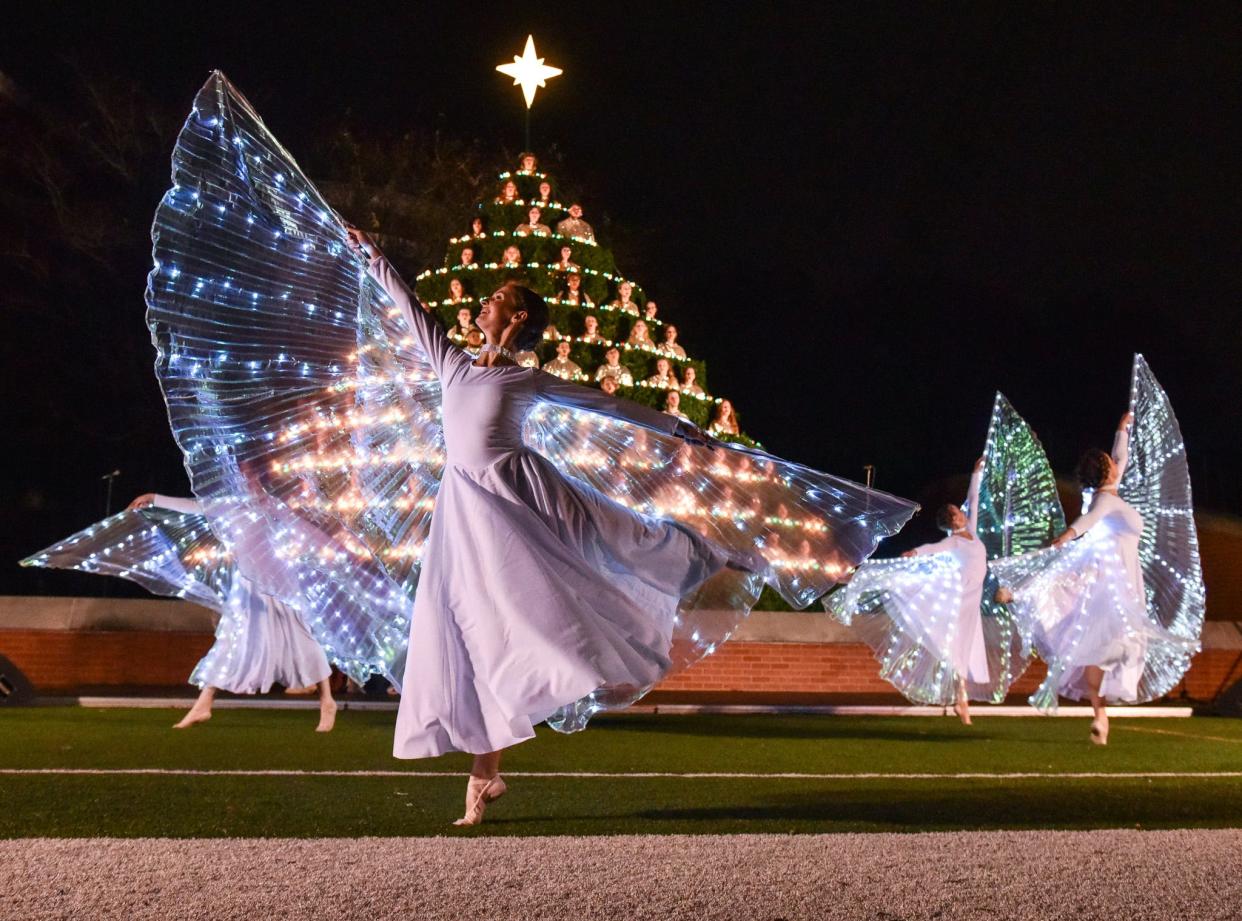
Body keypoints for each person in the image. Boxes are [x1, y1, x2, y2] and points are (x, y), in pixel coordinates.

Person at [347, 225, 751, 826]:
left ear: (514, 318)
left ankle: (695, 555)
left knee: (604, 543)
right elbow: (411, 310)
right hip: (465, 513)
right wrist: (374, 255)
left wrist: (674, 426)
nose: (482, 303)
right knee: (473, 633)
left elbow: (603, 403)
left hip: (520, 497)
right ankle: (485, 774)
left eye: (495, 299)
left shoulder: (525, 379)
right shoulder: (453, 365)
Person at [126, 492, 337, 732]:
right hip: (247, 585)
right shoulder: (232, 504)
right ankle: (203, 704)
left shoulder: (277, 506)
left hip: (279, 582)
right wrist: (155, 499)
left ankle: (327, 701)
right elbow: (197, 506)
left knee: (302, 639)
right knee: (231, 640)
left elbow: (306, 533)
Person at [893, 459, 991, 724]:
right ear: (952, 520)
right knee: (960, 648)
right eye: (957, 512)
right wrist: (915, 552)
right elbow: (932, 548)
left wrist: (976, 473)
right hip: (962, 599)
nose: (962, 512)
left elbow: (973, 496)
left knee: (967, 648)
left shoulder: (971, 531)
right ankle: (962, 702)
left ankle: (961, 699)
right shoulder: (953, 540)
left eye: (959, 510)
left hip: (973, 600)